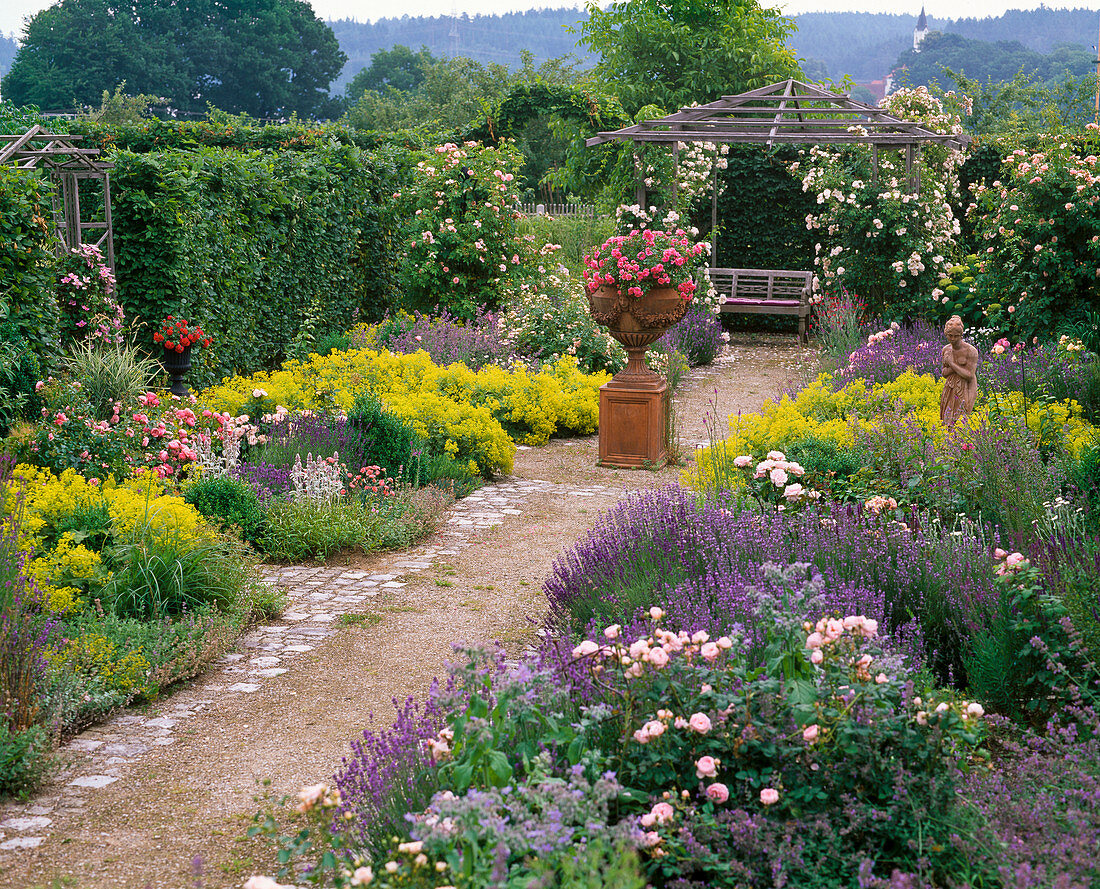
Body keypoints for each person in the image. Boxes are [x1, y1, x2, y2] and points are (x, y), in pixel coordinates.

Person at [940, 315, 977, 426]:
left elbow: (970, 375)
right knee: (946, 420)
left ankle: (960, 443)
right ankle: (947, 442)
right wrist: (953, 368)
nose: (952, 339)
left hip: (965, 387)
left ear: (961, 335)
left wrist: (951, 363)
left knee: (960, 420)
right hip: (950, 387)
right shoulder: (946, 349)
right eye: (950, 336)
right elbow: (944, 373)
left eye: (956, 336)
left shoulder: (970, 351)